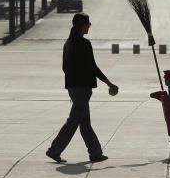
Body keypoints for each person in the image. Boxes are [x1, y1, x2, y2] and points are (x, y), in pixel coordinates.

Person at [46, 13, 118, 163]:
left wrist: (73, 81)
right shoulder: (84, 44)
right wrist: (109, 83)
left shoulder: (68, 43)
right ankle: (54, 150)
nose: (89, 26)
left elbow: (64, 68)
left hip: (73, 88)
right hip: (83, 89)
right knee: (73, 122)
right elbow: (93, 68)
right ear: (82, 25)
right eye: (88, 23)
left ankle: (95, 153)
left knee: (84, 123)